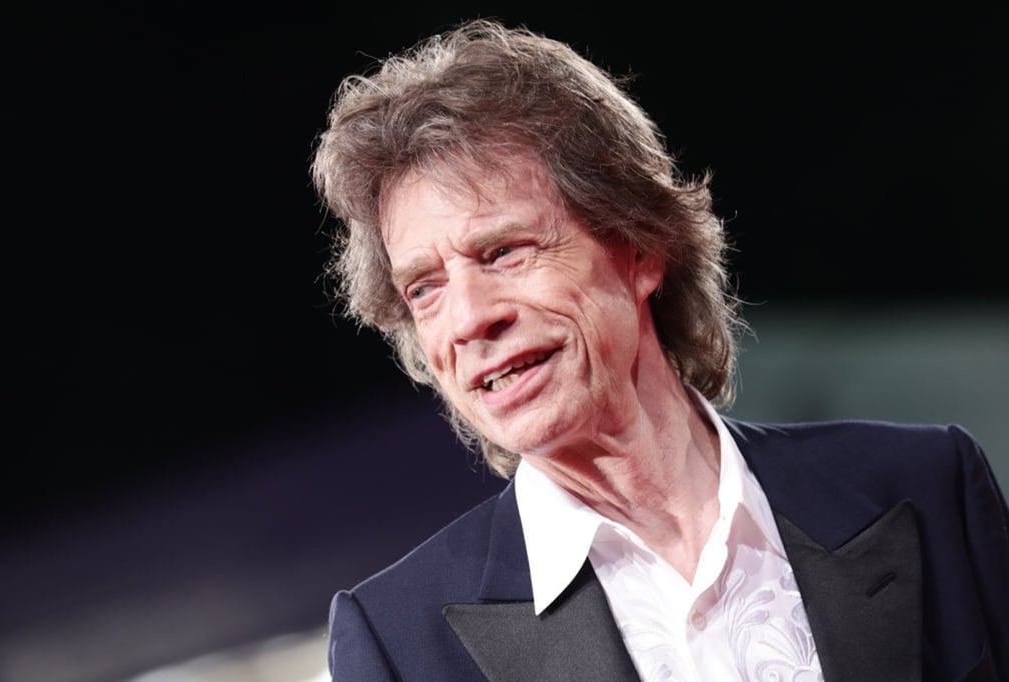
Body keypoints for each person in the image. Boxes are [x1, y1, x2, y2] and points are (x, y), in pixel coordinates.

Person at [310, 19, 1009, 681]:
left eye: (503, 252)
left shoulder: (922, 488)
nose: (467, 319)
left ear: (640, 249)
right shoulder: (400, 644)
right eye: (424, 290)